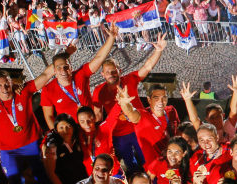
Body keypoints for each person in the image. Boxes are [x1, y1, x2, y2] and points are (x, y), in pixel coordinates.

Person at [91, 37, 167, 175]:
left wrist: (158, 51)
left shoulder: (130, 80)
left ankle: (152, 182)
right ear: (102, 74)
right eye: (107, 72)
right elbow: (98, 116)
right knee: (129, 162)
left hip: (140, 128)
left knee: (148, 158)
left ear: (119, 70)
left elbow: (147, 67)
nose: (111, 75)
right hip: (119, 134)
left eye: (114, 71)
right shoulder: (98, 91)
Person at [40, 26, 117, 128]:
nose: (63, 70)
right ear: (54, 70)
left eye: (66, 67)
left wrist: (111, 38)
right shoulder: (47, 89)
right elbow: (49, 116)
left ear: (71, 67)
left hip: (89, 125)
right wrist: (57, 135)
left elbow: (99, 58)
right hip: (70, 131)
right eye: (58, 68)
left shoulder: (81, 75)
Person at [115, 82, 197, 165]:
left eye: (164, 97)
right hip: (155, 167)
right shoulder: (142, 115)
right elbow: (130, 112)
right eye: (156, 98)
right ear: (149, 100)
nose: (161, 101)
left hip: (176, 162)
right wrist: (124, 103)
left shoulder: (171, 110)